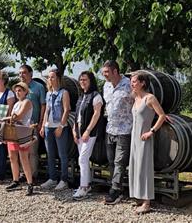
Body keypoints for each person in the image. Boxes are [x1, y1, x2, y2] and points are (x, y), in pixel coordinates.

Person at [129, 71, 166, 214]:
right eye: (131, 82)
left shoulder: (149, 98)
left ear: (143, 83)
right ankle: (138, 196)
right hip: (134, 137)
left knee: (144, 167)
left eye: (134, 81)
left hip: (145, 138)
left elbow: (162, 115)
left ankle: (147, 202)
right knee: (135, 166)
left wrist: (152, 131)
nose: (132, 84)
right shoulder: (135, 97)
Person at [102, 60, 134, 204]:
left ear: (115, 71)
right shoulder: (106, 86)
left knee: (119, 161)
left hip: (125, 129)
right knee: (111, 161)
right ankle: (116, 186)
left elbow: (140, 100)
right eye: (103, 72)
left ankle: (115, 191)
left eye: (107, 72)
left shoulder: (129, 84)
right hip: (110, 129)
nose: (104, 75)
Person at [72, 71, 105, 200]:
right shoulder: (82, 96)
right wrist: (75, 130)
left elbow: (96, 114)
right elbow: (77, 115)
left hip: (90, 132)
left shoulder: (96, 96)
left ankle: (83, 187)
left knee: (82, 159)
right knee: (83, 159)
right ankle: (87, 184)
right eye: (80, 80)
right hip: (80, 130)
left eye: (85, 80)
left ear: (91, 81)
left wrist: (88, 130)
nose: (82, 82)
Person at [40, 69, 70, 190]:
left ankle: (64, 180)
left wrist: (61, 126)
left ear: (58, 78)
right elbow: (47, 111)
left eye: (52, 77)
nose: (50, 79)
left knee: (62, 154)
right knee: (50, 154)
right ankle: (52, 178)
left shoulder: (64, 92)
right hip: (48, 127)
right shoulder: (48, 93)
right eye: (49, 77)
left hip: (59, 127)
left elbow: (67, 110)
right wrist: (43, 126)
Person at [4, 82, 34, 196]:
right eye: (16, 90)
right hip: (13, 132)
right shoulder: (16, 103)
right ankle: (15, 180)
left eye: (20, 90)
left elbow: (19, 116)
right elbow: (13, 117)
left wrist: (6, 118)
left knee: (24, 159)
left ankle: (30, 183)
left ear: (26, 91)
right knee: (12, 157)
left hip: (23, 133)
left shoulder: (27, 102)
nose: (18, 92)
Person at [19, 64, 46, 180]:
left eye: (24, 72)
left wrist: (40, 122)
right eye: (19, 73)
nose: (21, 75)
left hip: (33, 124)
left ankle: (33, 175)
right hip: (21, 125)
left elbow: (43, 105)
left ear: (31, 73)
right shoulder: (19, 87)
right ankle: (23, 174)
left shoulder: (39, 87)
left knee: (33, 152)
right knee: (22, 150)